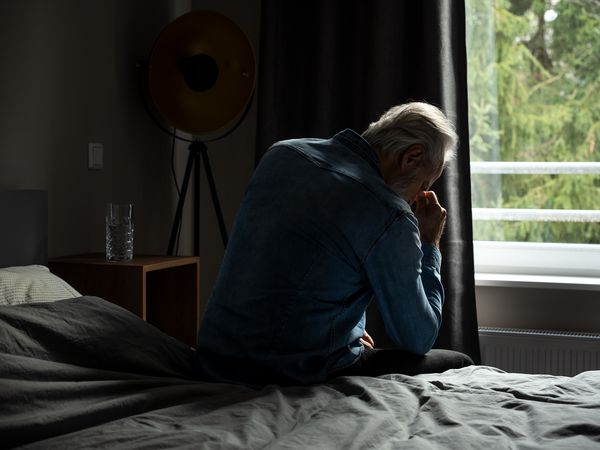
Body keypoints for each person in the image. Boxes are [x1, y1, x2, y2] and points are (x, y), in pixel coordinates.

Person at [194, 101, 473, 387]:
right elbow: (418, 337)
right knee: (461, 364)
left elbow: (304, 264)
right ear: (411, 157)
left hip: (217, 358)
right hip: (286, 371)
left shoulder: (283, 153)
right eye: (425, 182)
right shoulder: (387, 213)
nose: (418, 197)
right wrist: (429, 244)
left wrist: (349, 328)